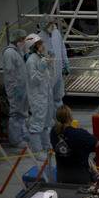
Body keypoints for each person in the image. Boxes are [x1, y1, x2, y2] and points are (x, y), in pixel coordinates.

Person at [50, 105, 99, 198]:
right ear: (70, 117)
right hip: (80, 177)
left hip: (62, 176)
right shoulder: (78, 133)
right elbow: (96, 143)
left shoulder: (53, 132)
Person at [24, 33, 55, 161]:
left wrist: (50, 62)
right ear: (33, 47)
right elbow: (34, 80)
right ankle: (36, 151)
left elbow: (49, 76)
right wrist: (41, 69)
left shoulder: (40, 57)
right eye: (39, 43)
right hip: (38, 98)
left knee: (45, 123)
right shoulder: (31, 60)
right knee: (37, 125)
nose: (43, 45)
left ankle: (46, 144)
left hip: (45, 96)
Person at [38, 14, 70, 120]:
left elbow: (62, 48)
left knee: (58, 97)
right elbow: (37, 57)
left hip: (58, 72)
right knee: (49, 100)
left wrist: (66, 63)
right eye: (49, 23)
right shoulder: (39, 39)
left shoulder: (56, 33)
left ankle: (60, 121)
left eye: (52, 22)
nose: (52, 25)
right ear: (44, 25)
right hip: (48, 75)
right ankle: (51, 123)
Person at [2, 28, 29, 148]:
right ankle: (15, 139)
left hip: (22, 87)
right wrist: (15, 88)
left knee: (22, 113)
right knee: (15, 114)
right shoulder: (9, 53)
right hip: (15, 89)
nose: (23, 41)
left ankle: (22, 134)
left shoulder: (17, 50)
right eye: (21, 38)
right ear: (15, 39)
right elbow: (9, 73)